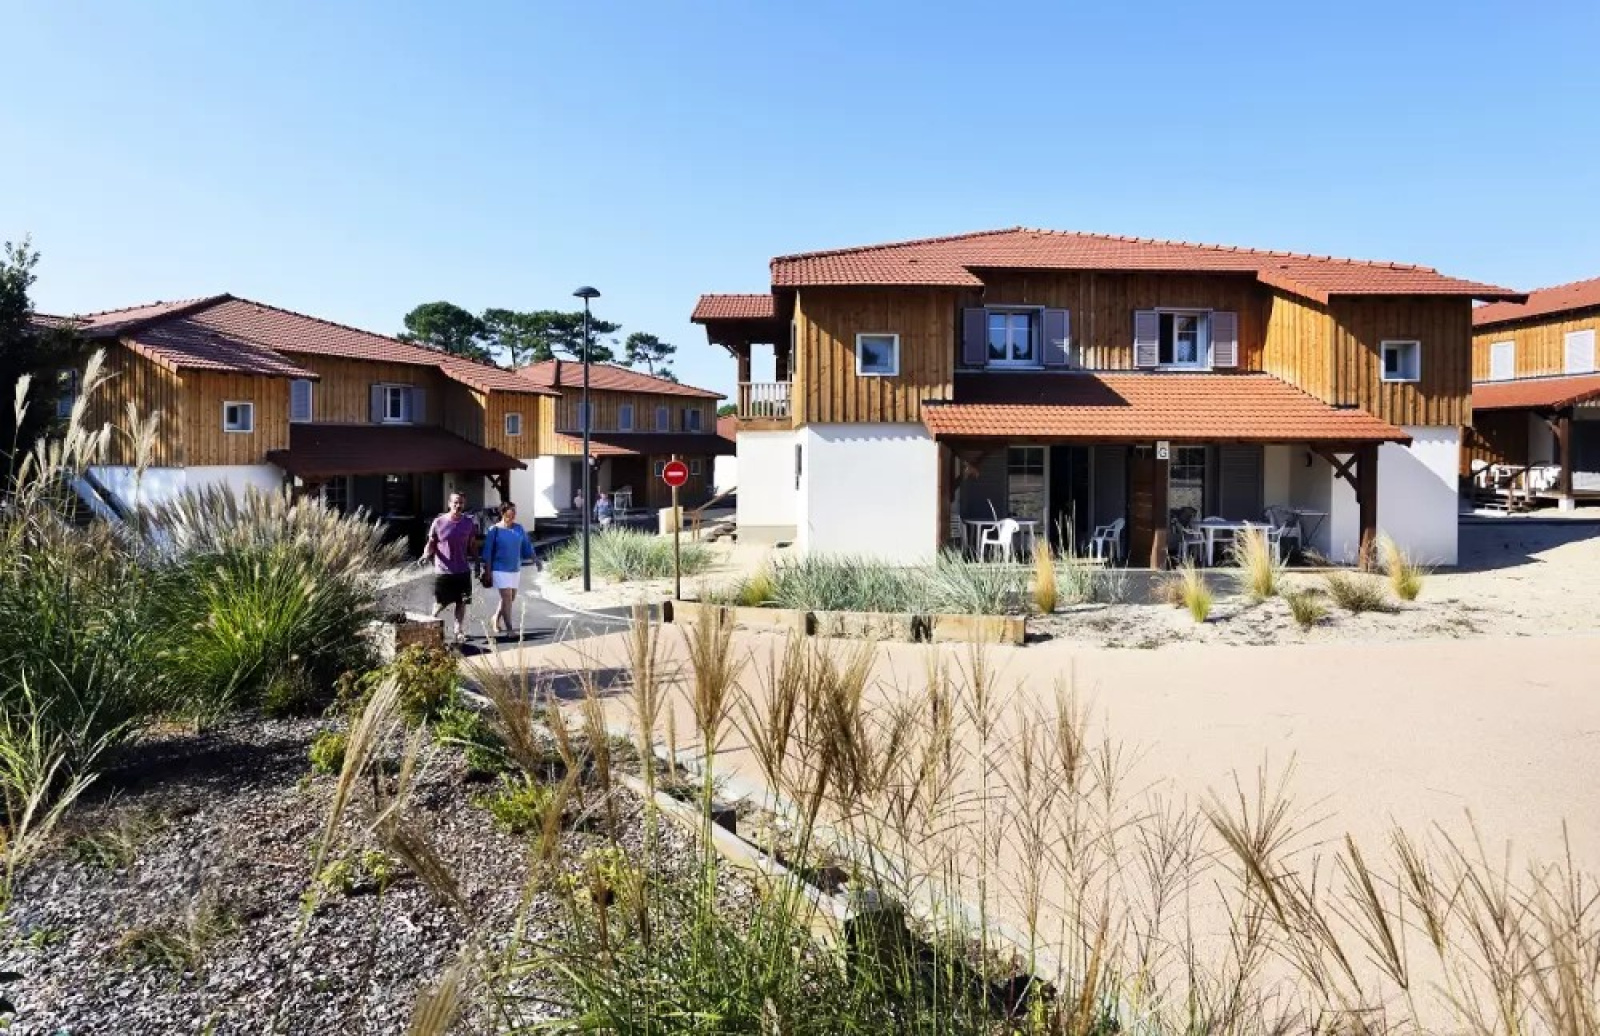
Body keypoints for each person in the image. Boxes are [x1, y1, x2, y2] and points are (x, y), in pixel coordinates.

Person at [423, 492, 478, 644]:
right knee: (440, 603)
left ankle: (458, 631)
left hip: (463, 569)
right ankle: (429, 626)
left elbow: (472, 544)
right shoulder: (439, 522)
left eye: (461, 503)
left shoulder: (468, 523)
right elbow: (431, 543)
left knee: (461, 602)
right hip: (444, 571)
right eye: (455, 502)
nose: (458, 505)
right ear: (449, 504)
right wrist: (425, 555)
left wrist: (477, 562)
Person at [481, 501, 536, 637]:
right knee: (506, 597)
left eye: (515, 511)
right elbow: (488, 552)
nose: (514, 514)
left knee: (510, 598)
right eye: (511, 511)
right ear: (503, 512)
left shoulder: (519, 528)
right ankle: (510, 629)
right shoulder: (494, 530)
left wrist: (536, 559)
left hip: (515, 568)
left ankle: (496, 617)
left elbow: (527, 546)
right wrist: (488, 572)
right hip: (499, 568)